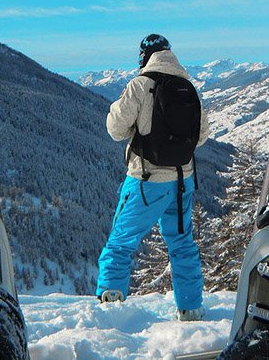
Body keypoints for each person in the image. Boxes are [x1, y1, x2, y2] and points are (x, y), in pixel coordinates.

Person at [95, 34, 210, 321]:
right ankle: (191, 309)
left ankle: (111, 307)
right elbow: (202, 135)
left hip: (146, 180)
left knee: (121, 241)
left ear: (144, 57)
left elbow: (115, 129)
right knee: (182, 243)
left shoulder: (140, 85)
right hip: (183, 180)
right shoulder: (188, 86)